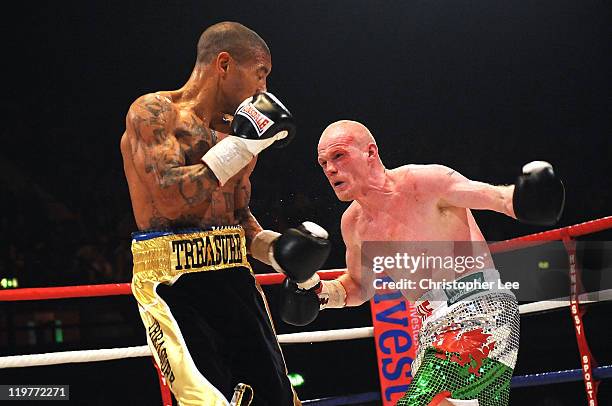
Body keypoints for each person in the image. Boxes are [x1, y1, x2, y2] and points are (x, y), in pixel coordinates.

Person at [279, 120, 565, 406]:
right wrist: (317, 291)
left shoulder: (425, 182)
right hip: (430, 327)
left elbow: (499, 198)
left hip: (478, 310)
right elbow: (358, 286)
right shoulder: (353, 224)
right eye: (323, 162)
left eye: (339, 156)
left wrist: (529, 197)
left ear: (370, 152)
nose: (330, 169)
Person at [120, 21, 331, 406]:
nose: (263, 89)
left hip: (234, 275)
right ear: (223, 64)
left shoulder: (234, 132)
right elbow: (169, 197)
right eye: (260, 73)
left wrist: (280, 252)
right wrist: (241, 146)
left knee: (276, 397)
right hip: (174, 280)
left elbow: (239, 218)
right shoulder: (155, 112)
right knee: (210, 399)